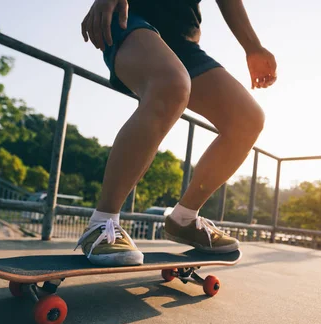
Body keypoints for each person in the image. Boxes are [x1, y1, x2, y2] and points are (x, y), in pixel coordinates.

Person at [77, 0, 277, 266]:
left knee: (247, 119)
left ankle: (184, 218)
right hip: (130, 19)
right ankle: (101, 224)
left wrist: (252, 47)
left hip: (183, 41)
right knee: (171, 83)